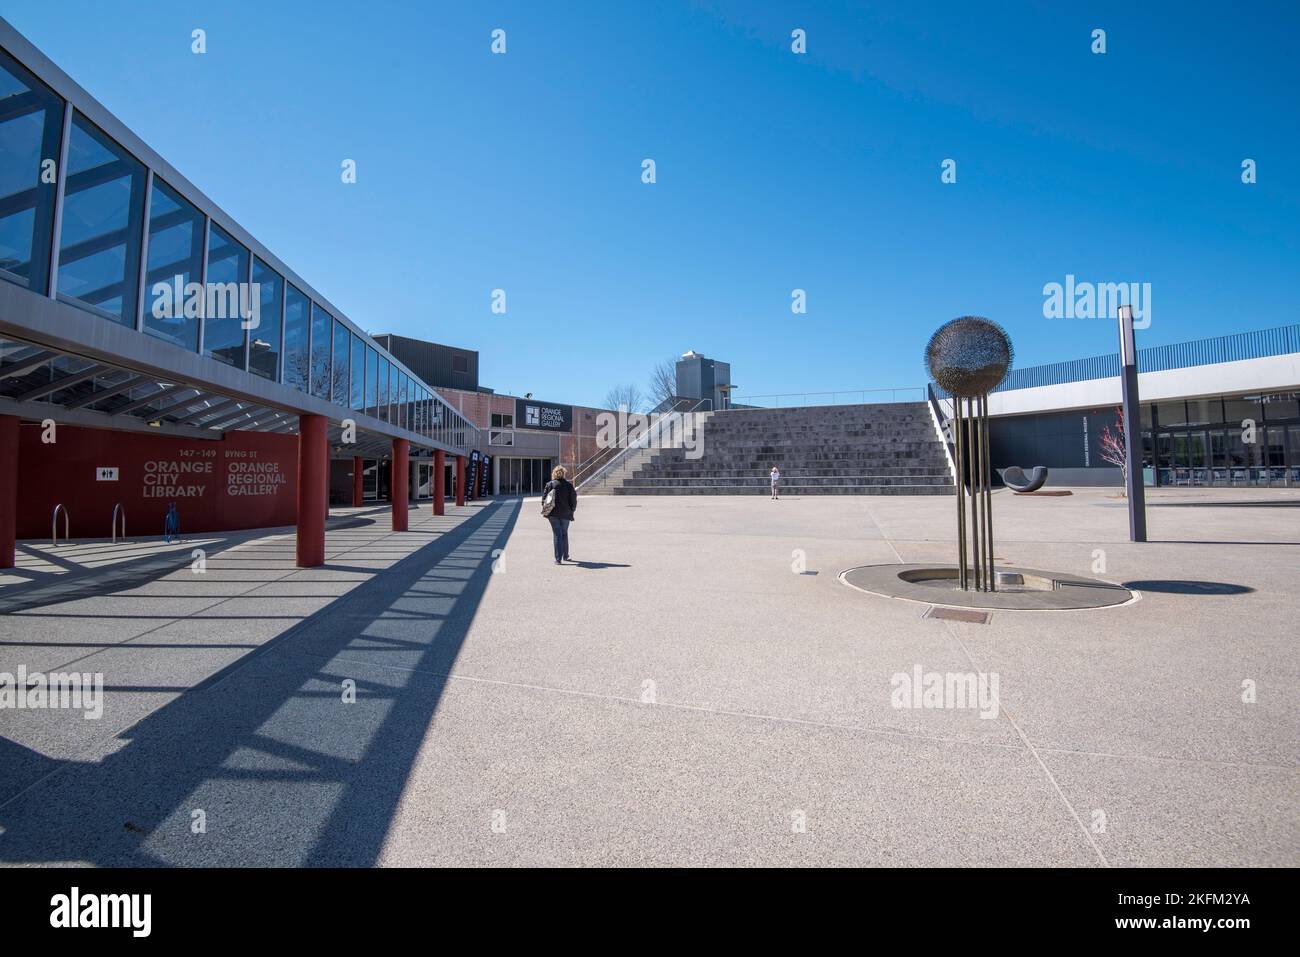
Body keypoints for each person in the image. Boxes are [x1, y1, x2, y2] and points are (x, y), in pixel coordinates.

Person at [542, 466, 577, 564]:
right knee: (564, 534)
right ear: (563, 474)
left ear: (554, 473)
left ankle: (558, 559)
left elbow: (544, 500)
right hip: (566, 514)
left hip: (553, 514)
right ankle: (566, 556)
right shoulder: (569, 486)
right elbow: (573, 500)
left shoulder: (550, 485)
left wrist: (547, 511)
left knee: (557, 534)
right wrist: (572, 510)